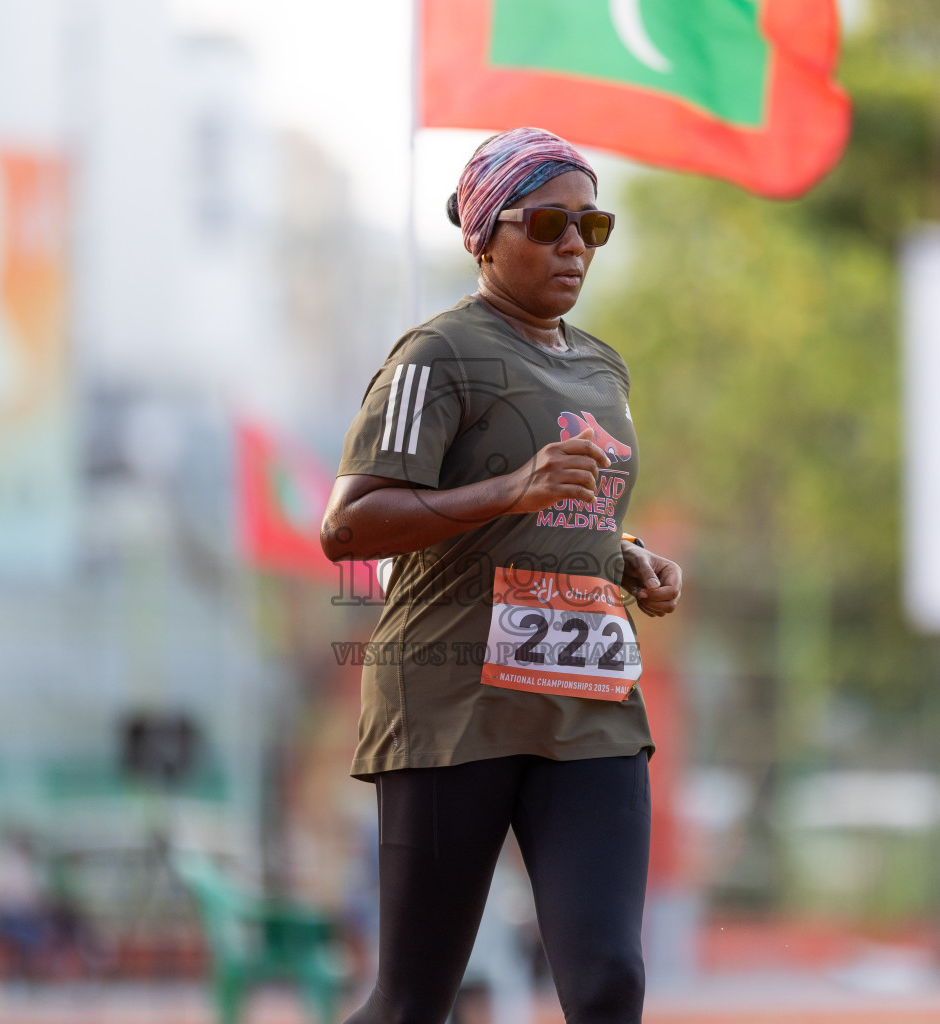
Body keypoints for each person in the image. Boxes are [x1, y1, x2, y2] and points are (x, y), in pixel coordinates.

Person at [321, 127, 683, 1024]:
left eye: (591, 227)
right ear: (485, 235)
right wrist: (509, 488)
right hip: (453, 704)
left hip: (586, 701)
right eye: (549, 223)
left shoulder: (603, 366)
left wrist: (627, 557)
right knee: (414, 1002)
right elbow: (347, 526)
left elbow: (571, 509)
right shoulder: (435, 356)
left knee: (608, 985)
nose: (574, 246)